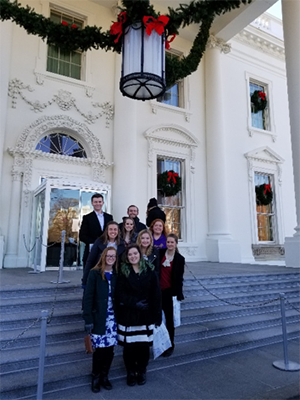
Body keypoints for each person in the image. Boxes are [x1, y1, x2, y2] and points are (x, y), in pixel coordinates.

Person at [115, 244, 161, 386]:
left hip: (145, 315)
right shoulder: (124, 272)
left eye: (135, 253)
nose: (133, 256)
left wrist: (157, 315)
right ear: (127, 257)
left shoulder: (149, 270)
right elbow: (119, 294)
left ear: (140, 255)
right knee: (129, 347)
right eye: (130, 255)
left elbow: (156, 294)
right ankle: (130, 371)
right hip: (130, 314)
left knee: (143, 347)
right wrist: (134, 303)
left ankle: (141, 370)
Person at [83, 247, 118, 393]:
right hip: (100, 318)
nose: (110, 258)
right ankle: (96, 376)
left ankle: (105, 375)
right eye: (108, 255)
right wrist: (88, 318)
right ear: (103, 257)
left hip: (113, 319)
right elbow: (88, 297)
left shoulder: (117, 274)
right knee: (100, 351)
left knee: (110, 350)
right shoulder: (95, 273)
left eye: (113, 256)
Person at [158, 233, 185, 357]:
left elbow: (179, 278)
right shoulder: (160, 254)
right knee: (158, 320)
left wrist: (179, 294)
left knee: (169, 321)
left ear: (176, 244)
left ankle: (170, 345)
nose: (169, 244)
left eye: (172, 242)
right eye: (168, 242)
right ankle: (159, 343)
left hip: (169, 292)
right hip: (158, 291)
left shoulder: (179, 259)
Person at [82, 221, 125, 286]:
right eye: (110, 229)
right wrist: (85, 279)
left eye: (115, 229)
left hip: (116, 276)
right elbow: (90, 261)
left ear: (118, 231)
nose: (113, 231)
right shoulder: (99, 242)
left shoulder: (122, 244)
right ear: (107, 231)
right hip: (100, 274)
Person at [79, 193, 113, 266]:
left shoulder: (109, 217)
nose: (98, 204)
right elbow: (82, 236)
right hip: (92, 250)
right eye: (95, 202)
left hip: (106, 249)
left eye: (100, 202)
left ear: (103, 203)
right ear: (92, 203)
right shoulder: (87, 218)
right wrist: (96, 242)